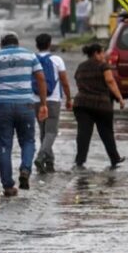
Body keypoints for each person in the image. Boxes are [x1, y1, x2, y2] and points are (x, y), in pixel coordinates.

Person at [0, 32, 49, 197]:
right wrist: (43, 103)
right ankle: (25, 169)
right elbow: (41, 78)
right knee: (28, 141)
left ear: (2, 44)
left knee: (4, 145)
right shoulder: (29, 55)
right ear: (17, 43)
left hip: (3, 106)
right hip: (25, 105)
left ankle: (8, 186)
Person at [73, 44, 126, 169]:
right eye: (102, 53)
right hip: (101, 105)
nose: (104, 55)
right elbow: (110, 81)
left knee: (83, 133)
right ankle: (114, 158)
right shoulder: (103, 66)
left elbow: (77, 80)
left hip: (82, 104)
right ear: (96, 54)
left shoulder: (81, 66)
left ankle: (80, 160)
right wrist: (119, 98)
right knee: (106, 132)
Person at [32, 33, 72, 174]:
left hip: (37, 100)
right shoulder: (57, 60)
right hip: (53, 100)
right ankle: (41, 156)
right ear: (49, 44)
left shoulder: (33, 59)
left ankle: (49, 163)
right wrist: (69, 98)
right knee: (51, 132)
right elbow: (65, 82)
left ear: (37, 45)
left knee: (43, 132)